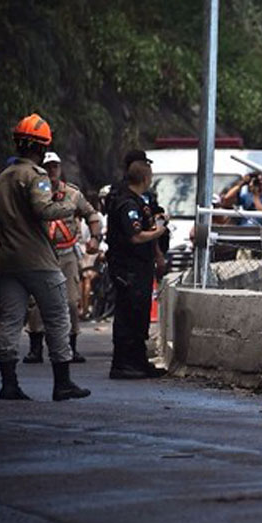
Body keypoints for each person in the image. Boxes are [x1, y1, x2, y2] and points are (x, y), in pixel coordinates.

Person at [0, 113, 90, 401]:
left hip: (8, 260)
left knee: (9, 321)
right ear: (42, 148)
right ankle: (63, 384)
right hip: (39, 262)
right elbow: (44, 210)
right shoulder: (36, 176)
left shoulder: (2, 178)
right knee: (58, 318)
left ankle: (8, 384)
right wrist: (71, 203)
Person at [23, 151, 101, 364]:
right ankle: (35, 348)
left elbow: (91, 215)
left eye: (55, 166)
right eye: (47, 167)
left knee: (70, 301)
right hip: (40, 253)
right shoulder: (34, 192)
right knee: (36, 302)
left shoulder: (72, 194)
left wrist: (95, 238)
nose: (51, 171)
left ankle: (72, 347)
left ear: (60, 168)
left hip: (67, 254)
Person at [105, 151, 168, 379]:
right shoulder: (125, 201)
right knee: (128, 315)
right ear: (144, 176)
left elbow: (148, 225)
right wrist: (158, 232)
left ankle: (138, 362)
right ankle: (123, 364)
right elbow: (135, 235)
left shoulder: (143, 200)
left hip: (141, 266)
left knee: (139, 314)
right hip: (126, 267)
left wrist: (158, 251)